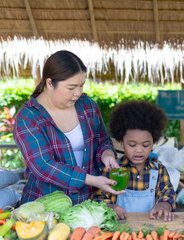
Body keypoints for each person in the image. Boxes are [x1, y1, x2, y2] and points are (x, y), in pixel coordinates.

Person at [13, 50, 124, 205]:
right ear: (50, 83)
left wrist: (107, 155)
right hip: (45, 207)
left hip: (87, 203)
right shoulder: (28, 117)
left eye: (81, 85)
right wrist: (90, 180)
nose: (78, 93)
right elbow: (43, 166)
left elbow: (103, 141)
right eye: (71, 87)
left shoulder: (87, 105)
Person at [91, 100, 176, 221]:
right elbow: (98, 197)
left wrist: (165, 204)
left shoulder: (159, 170)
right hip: (120, 230)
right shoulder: (112, 170)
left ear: (153, 143)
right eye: (132, 145)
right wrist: (110, 207)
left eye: (145, 145)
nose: (139, 150)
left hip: (152, 230)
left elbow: (168, 193)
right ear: (121, 143)